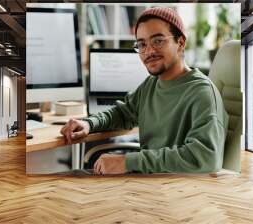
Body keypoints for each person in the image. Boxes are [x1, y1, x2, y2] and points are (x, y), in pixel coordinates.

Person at [60, 7, 228, 175]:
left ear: (181, 43)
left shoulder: (202, 93)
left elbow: (206, 158)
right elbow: (123, 114)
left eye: (158, 41)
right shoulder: (152, 84)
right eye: (141, 44)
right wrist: (89, 123)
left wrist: (128, 162)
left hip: (174, 190)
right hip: (147, 180)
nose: (149, 51)